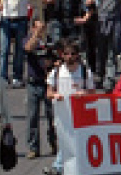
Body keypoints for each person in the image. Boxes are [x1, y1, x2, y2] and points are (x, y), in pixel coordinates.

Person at [44, 39, 95, 175]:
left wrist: (84, 94)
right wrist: (55, 95)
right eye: (66, 54)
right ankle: (61, 166)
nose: (69, 57)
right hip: (62, 115)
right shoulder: (56, 72)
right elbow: (49, 92)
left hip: (81, 116)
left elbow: (92, 93)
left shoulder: (85, 71)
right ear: (62, 55)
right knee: (65, 142)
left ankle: (59, 166)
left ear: (77, 55)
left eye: (72, 54)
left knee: (77, 143)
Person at [23, 21, 56, 159]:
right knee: (32, 117)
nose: (41, 30)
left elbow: (57, 57)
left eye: (43, 27)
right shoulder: (28, 38)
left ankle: (54, 143)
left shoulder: (50, 41)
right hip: (33, 82)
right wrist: (36, 35)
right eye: (38, 27)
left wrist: (53, 64)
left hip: (47, 83)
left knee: (52, 116)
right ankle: (33, 147)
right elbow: (27, 48)